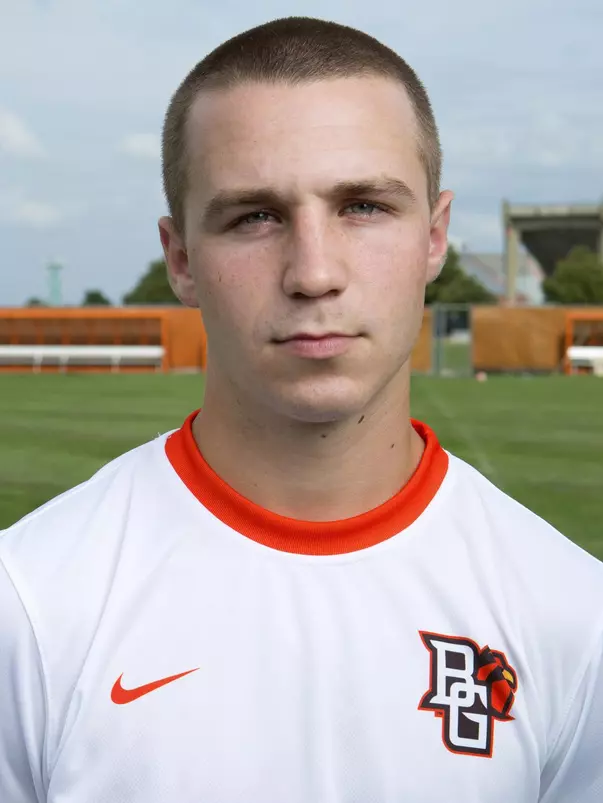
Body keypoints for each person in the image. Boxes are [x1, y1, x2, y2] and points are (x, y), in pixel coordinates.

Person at [1, 16, 602, 803]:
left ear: (434, 236)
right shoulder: (29, 605)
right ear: (179, 257)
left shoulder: (573, 613)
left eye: (362, 206)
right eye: (254, 216)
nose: (313, 273)